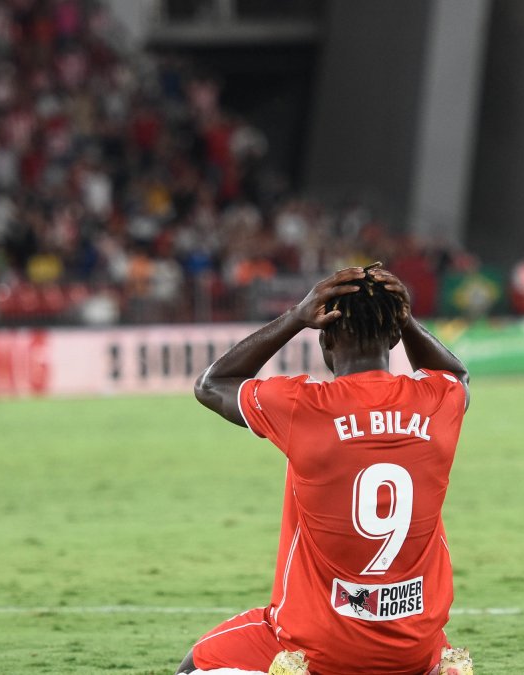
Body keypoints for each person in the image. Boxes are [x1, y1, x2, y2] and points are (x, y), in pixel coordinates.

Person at [181, 265, 474, 675]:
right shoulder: (438, 400)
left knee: (196, 664)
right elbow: (458, 376)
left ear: (325, 339)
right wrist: (405, 320)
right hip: (415, 649)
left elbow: (212, 384)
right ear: (394, 338)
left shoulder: (305, 405)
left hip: (318, 648)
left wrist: (295, 316)